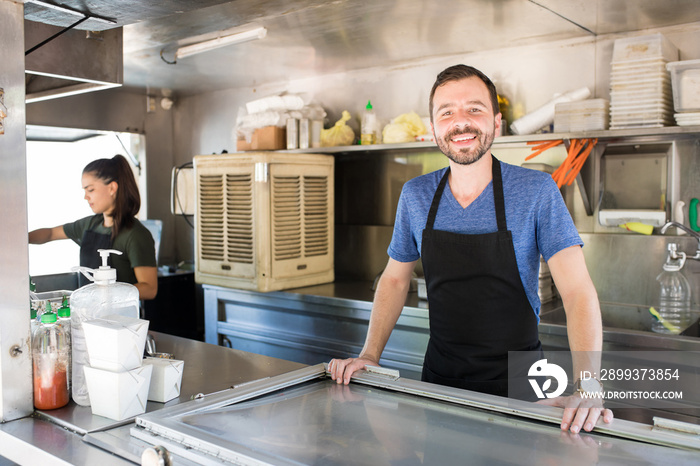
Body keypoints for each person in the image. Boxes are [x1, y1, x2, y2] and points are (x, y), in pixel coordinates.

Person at [329, 65, 613, 434]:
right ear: (433, 129)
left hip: (525, 386)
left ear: (496, 122)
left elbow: (577, 292)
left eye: (474, 109)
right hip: (440, 384)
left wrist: (587, 384)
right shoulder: (415, 196)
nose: (460, 122)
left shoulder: (536, 191)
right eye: (447, 112)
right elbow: (395, 280)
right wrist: (369, 355)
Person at [29, 154, 158, 300]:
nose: (86, 197)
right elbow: (50, 233)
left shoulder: (135, 234)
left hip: (120, 318)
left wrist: (107, 294)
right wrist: (21, 238)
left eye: (90, 190)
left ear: (112, 188)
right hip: (89, 313)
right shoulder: (90, 225)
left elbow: (149, 288)